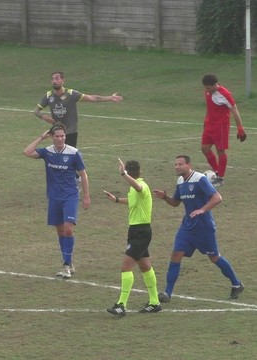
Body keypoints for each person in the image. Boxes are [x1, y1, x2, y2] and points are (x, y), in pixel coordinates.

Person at [152, 155, 244, 301]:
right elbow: (176, 203)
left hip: (204, 227)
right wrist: (164, 197)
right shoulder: (180, 181)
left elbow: (217, 197)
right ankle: (167, 293)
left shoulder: (200, 179)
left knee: (214, 257)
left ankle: (236, 284)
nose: (177, 167)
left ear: (188, 165)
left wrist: (203, 209)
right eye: (175, 164)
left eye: (180, 164)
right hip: (187, 226)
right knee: (176, 254)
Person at [23, 122, 91, 278]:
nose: (61, 139)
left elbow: (83, 174)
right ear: (52, 137)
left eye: (63, 136)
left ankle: (66, 265)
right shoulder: (47, 152)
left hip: (70, 196)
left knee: (68, 228)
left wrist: (86, 196)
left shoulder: (73, 153)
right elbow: (27, 152)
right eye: (57, 136)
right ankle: (69, 261)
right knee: (60, 230)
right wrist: (41, 137)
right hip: (54, 197)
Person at [103, 158, 162, 316]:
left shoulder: (141, 185)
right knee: (145, 266)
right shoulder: (135, 189)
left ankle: (121, 304)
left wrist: (123, 174)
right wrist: (116, 200)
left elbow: (138, 187)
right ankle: (155, 302)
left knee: (126, 267)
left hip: (141, 232)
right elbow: (132, 201)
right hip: (137, 231)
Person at [34, 71, 123, 148]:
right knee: (58, 156)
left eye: (57, 79)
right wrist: (44, 118)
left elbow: (92, 98)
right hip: (56, 132)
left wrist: (110, 98)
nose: (54, 81)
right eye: (53, 79)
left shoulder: (72, 94)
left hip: (70, 132)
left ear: (63, 80)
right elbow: (36, 111)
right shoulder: (48, 95)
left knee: (70, 158)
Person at [200, 74, 246, 187]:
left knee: (220, 151)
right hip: (209, 125)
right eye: (205, 87)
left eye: (208, 88)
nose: (207, 90)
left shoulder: (225, 94)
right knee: (204, 148)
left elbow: (234, 110)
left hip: (221, 126)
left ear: (215, 85)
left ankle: (220, 178)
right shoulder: (208, 92)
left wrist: (240, 128)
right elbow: (209, 108)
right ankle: (216, 171)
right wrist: (205, 122)